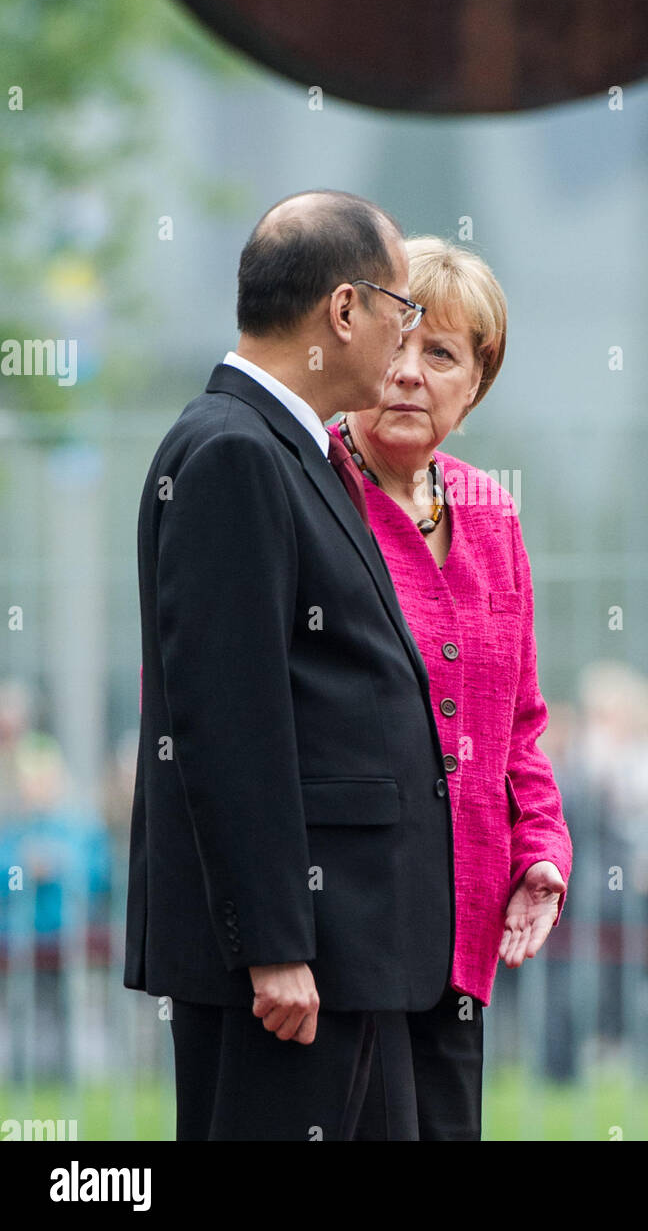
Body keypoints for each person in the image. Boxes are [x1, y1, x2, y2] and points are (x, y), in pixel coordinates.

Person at [126, 190, 456, 1140]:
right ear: (344, 311)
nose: (407, 342)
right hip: (291, 970)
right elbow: (229, 720)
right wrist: (274, 945)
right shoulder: (235, 452)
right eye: (403, 312)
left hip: (348, 951)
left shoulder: (289, 451)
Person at [327, 236, 572, 1140]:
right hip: (339, 935)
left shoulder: (492, 515)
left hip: (463, 938)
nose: (408, 373)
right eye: (396, 344)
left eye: (441, 355)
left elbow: (520, 725)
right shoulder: (308, 489)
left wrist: (540, 851)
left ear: (475, 388)